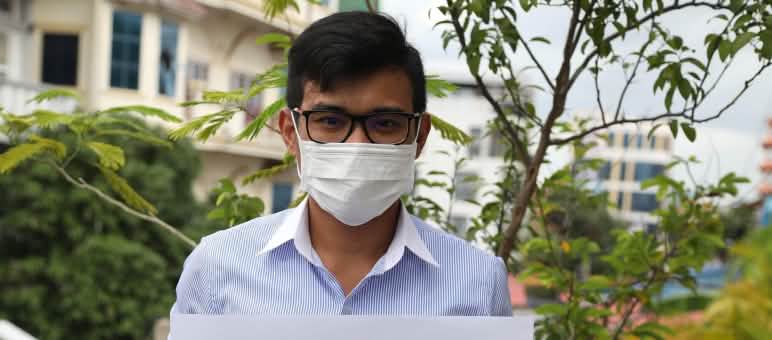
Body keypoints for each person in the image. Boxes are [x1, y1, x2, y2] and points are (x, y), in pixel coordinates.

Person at [171, 11, 512, 317]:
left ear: (419, 136)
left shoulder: (479, 284)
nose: (357, 145)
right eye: (330, 121)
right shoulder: (216, 269)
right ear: (291, 132)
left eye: (386, 123)